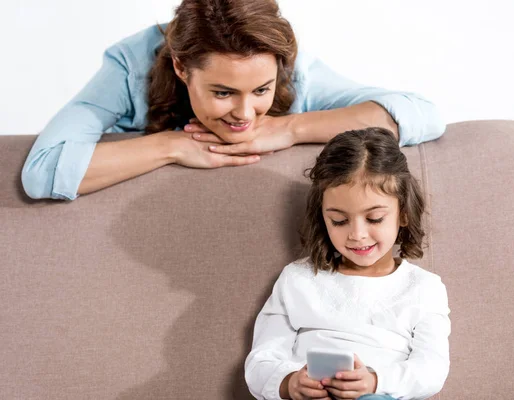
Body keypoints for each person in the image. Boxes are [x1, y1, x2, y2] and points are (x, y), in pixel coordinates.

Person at [21, 0, 445, 201]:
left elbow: (422, 114)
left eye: (261, 90)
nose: (244, 114)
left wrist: (289, 127)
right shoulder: (129, 65)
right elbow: (43, 172)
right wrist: (173, 145)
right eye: (223, 93)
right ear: (182, 68)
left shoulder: (298, 73)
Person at [245, 127, 450, 400]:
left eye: (375, 218)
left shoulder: (424, 288)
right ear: (323, 218)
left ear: (403, 213)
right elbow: (261, 359)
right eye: (339, 221)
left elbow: (431, 369)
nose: (357, 234)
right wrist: (289, 382)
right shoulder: (298, 279)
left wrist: (375, 382)